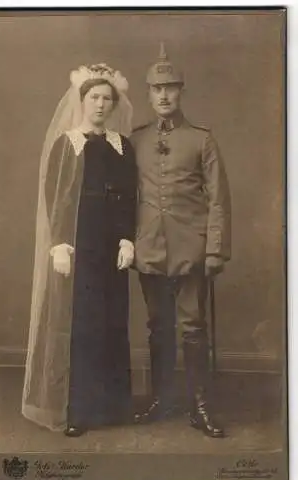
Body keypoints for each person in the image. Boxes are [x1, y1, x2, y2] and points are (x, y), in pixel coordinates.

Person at [22, 63, 137, 437]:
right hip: (78, 244)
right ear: (83, 101)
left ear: (114, 103)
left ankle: (111, 408)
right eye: (94, 98)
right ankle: (75, 410)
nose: (101, 105)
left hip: (110, 249)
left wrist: (127, 238)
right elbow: (54, 198)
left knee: (111, 321)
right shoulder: (67, 143)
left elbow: (129, 198)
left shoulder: (123, 146)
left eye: (107, 98)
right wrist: (59, 244)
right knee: (79, 325)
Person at [130, 43, 231, 438]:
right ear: (149, 93)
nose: (164, 95)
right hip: (150, 248)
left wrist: (215, 249)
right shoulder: (135, 139)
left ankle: (199, 406)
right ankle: (160, 400)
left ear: (181, 91)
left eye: (171, 87)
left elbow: (219, 198)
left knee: (192, 327)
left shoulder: (202, 139)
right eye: (157, 89)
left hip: (191, 249)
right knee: (158, 326)